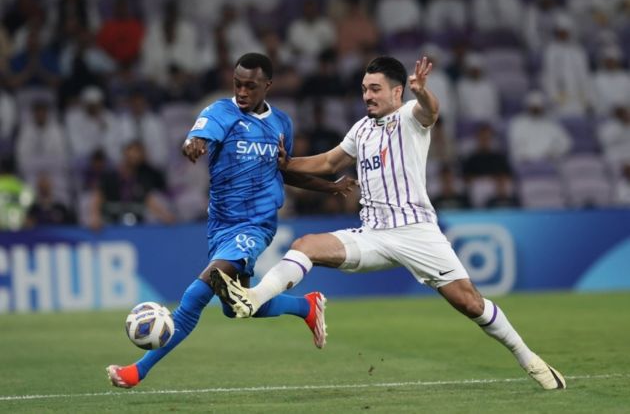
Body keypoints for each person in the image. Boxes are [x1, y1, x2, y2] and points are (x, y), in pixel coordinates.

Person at [211, 55, 567, 391]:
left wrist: (423, 91)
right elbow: (329, 163)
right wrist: (285, 162)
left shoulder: (411, 115)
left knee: (470, 303)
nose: (367, 95)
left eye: (375, 88)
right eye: (365, 89)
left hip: (417, 231)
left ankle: (530, 359)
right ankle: (252, 299)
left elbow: (432, 110)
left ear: (397, 91)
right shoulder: (361, 130)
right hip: (374, 234)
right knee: (305, 246)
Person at [106, 53, 355, 388]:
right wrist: (193, 145)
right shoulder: (221, 112)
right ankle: (306, 307)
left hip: (256, 225)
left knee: (197, 296)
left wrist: (330, 187)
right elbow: (199, 137)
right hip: (221, 225)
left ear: (267, 85)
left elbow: (284, 171)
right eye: (237, 83)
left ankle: (138, 371)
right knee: (236, 305)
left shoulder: (282, 123)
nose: (241, 91)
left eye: (250, 86)